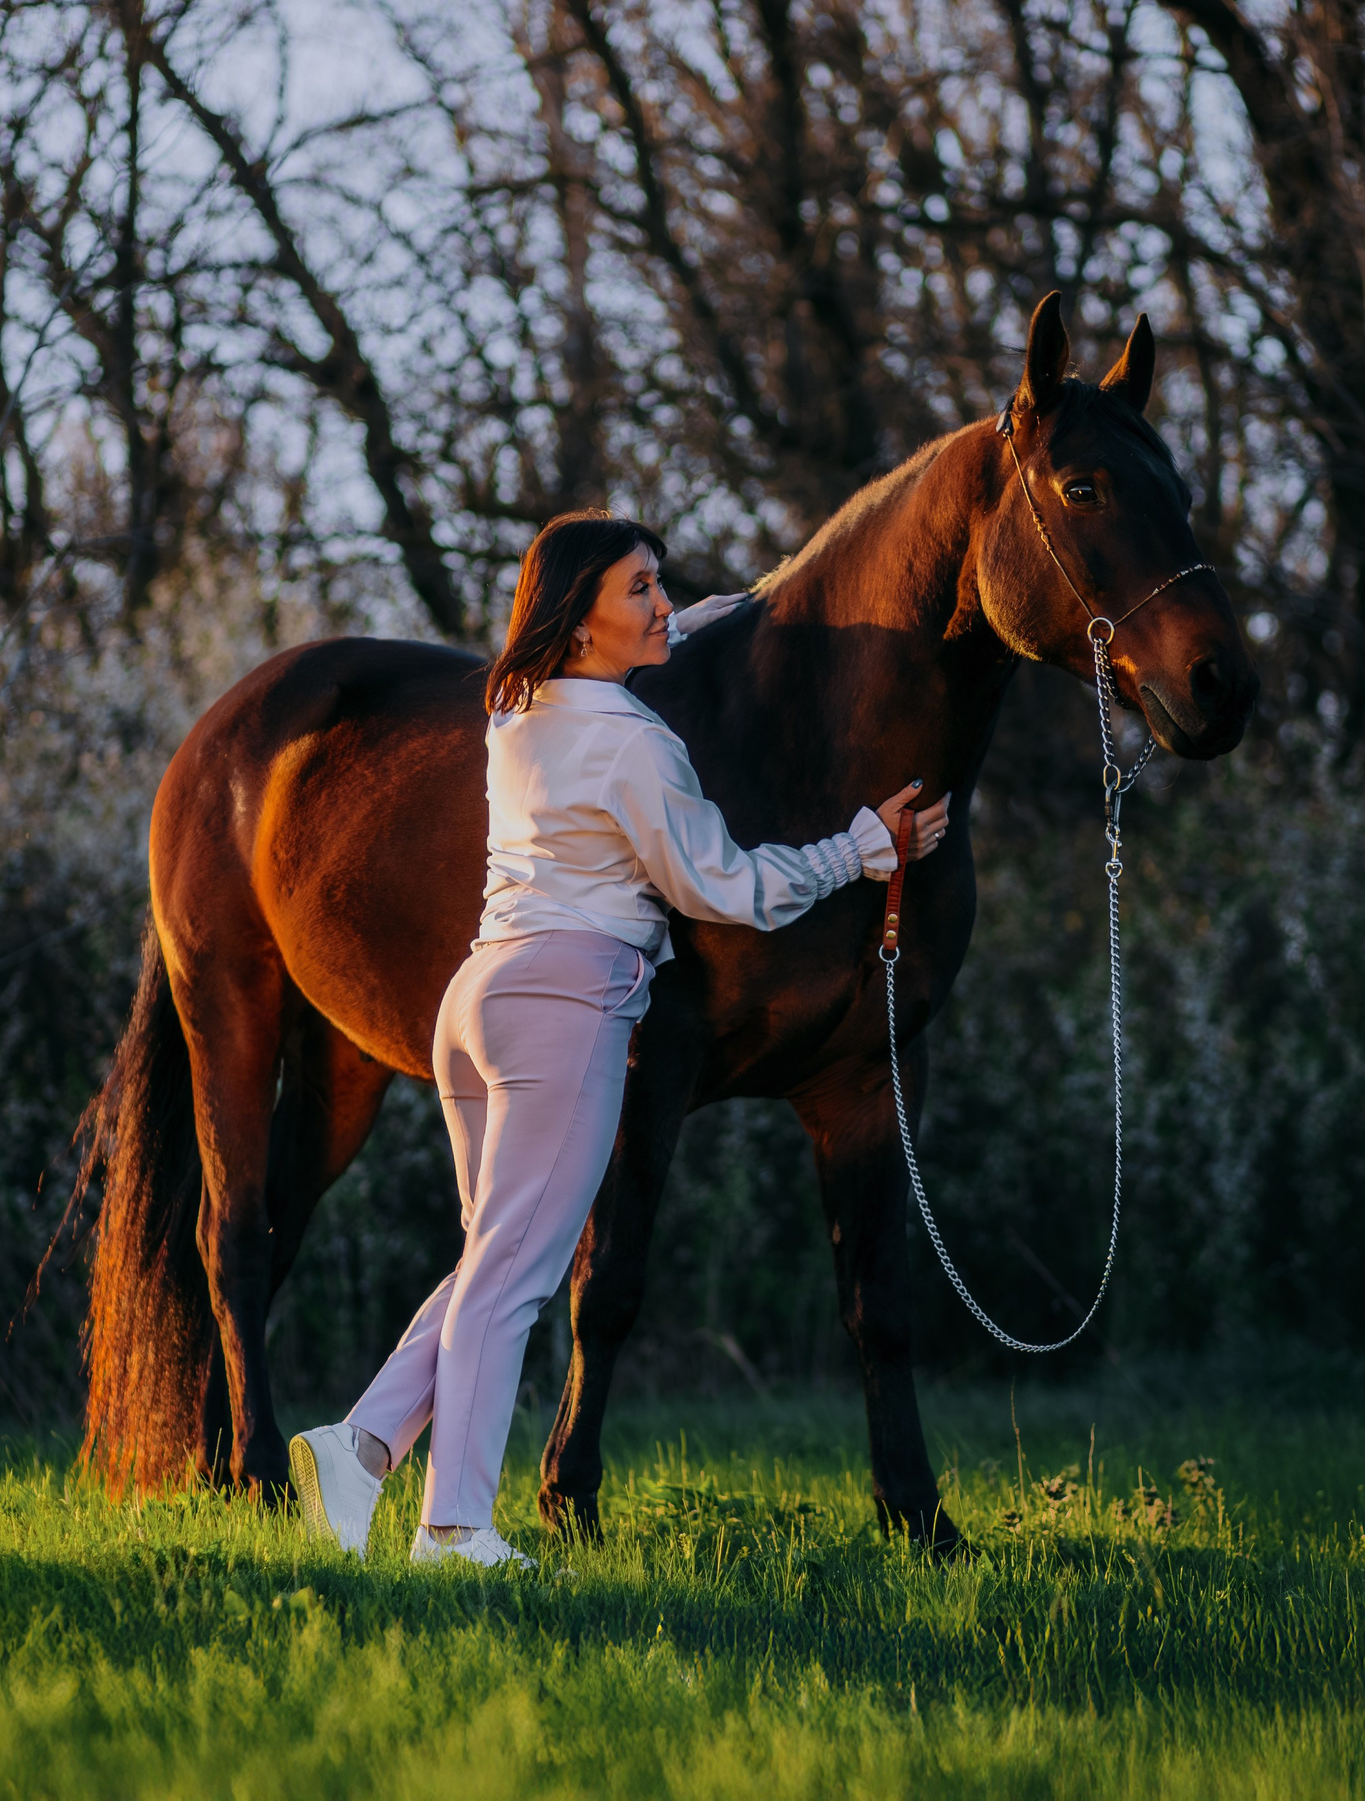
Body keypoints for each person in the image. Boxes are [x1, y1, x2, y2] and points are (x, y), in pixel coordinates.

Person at [288, 510, 950, 1568]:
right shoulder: (639, 744)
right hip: (567, 1004)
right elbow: (726, 888)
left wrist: (735, 609)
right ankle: (452, 1528)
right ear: (580, 615)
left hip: (478, 999)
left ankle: (360, 1446)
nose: (662, 603)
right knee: (514, 1278)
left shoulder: (515, 711)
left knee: (493, 1254)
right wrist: (859, 849)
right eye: (639, 588)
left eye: (660, 584)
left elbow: (657, 637)